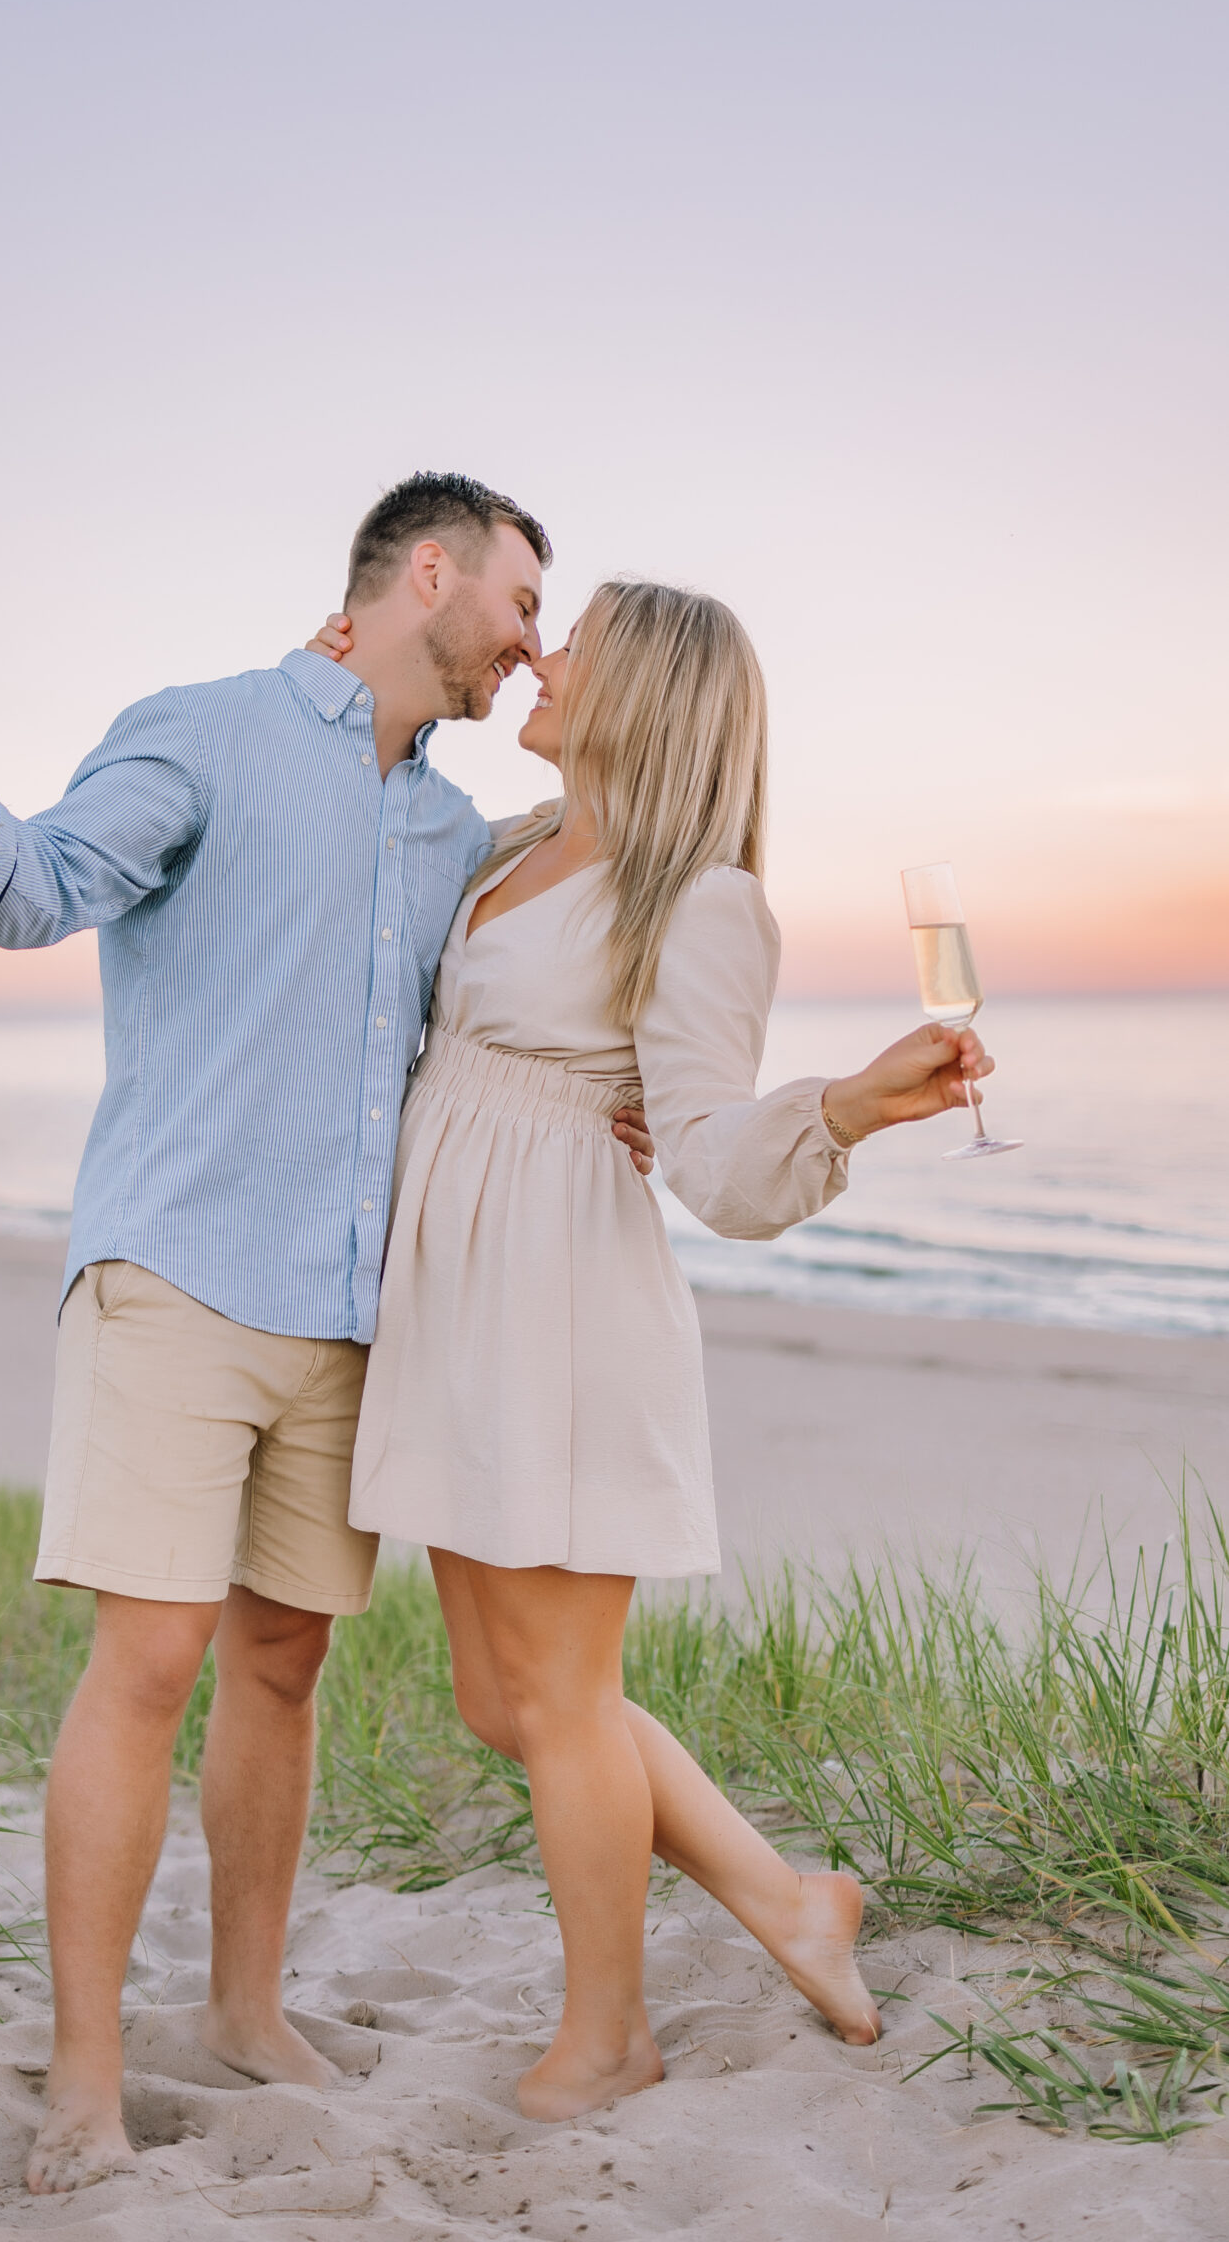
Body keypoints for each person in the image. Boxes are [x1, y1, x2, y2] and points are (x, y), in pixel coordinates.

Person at [0, 473, 653, 2193]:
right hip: (180, 1276)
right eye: (518, 604)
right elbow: (30, 888)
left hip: (353, 1320)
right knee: (146, 1667)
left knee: (281, 1666)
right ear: (423, 573)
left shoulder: (456, 836)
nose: (529, 647)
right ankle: (82, 2074)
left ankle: (240, 2011)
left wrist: (636, 1098)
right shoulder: (205, 733)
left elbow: (510, 1023)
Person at [313, 579, 994, 2121]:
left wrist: (848, 1104)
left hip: (557, 1312)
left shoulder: (703, 902)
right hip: (458, 1302)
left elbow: (705, 1153)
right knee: (510, 1702)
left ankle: (609, 2036)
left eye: (580, 640)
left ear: (651, 694)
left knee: (560, 1698)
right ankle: (791, 1898)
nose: (543, 658)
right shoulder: (508, 846)